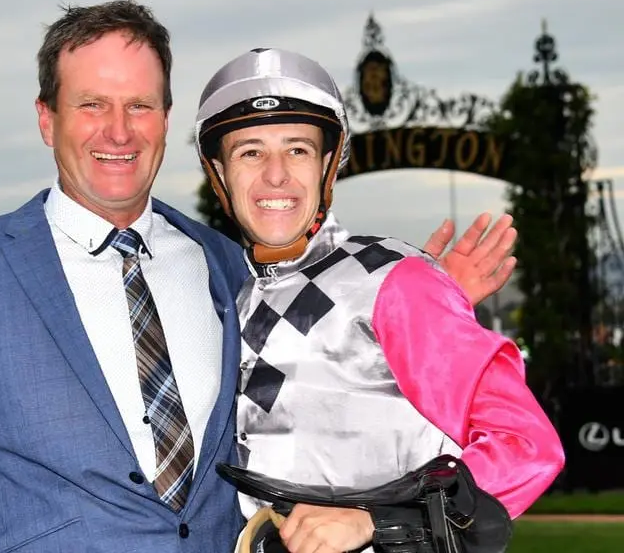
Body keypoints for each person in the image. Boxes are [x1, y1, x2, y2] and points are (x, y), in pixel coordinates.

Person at [0, 0, 517, 553]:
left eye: (140, 106)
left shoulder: (225, 263)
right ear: (46, 118)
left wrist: (423, 310)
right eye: (92, 105)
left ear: (167, 120)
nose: (119, 132)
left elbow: (325, 391)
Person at [192, 48, 565, 553]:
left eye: (298, 149)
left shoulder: (399, 281)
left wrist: (379, 519)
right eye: (250, 151)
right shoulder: (225, 297)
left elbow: (528, 448)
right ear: (219, 173)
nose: (275, 174)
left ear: (328, 164)